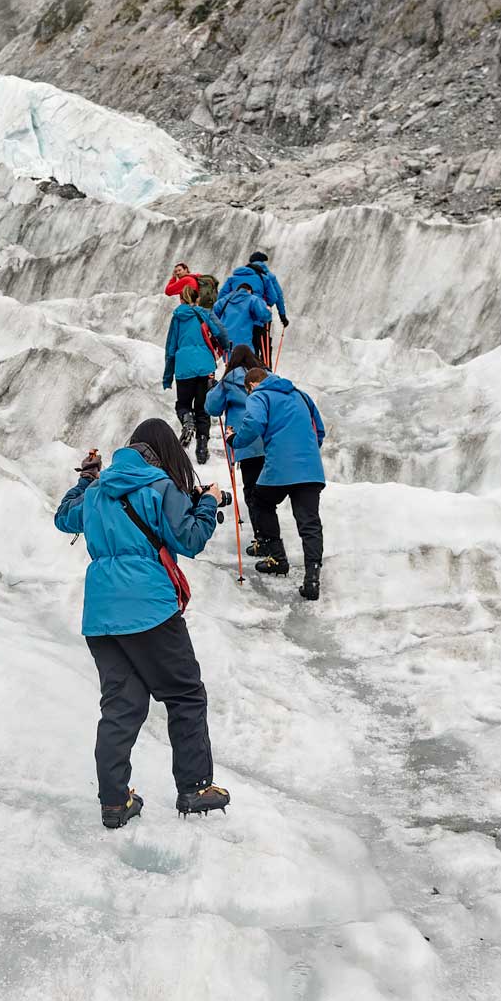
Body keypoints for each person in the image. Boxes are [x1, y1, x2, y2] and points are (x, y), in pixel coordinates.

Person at [54, 418, 233, 827]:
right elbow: (189, 540)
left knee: (121, 704)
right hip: (148, 608)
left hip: (101, 615)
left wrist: (85, 479)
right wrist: (207, 503)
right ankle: (194, 787)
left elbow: (64, 517)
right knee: (185, 693)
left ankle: (114, 801)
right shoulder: (159, 486)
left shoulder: (98, 492)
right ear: (163, 451)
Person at [232, 366, 327, 601]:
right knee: (310, 523)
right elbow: (320, 431)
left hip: (280, 466)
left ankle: (278, 558)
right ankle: (312, 578)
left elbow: (254, 422)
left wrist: (235, 440)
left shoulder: (259, 395)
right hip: (310, 468)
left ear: (251, 385)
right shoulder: (301, 395)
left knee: (260, 501)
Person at [205, 345, 269, 545]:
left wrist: (213, 388)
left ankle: (262, 537)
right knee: (267, 490)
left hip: (244, 442)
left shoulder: (229, 381)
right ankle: (270, 538)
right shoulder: (266, 377)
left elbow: (212, 408)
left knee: (252, 491)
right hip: (268, 440)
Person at [162, 284, 229, 465]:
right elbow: (220, 332)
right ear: (197, 299)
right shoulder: (204, 313)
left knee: (183, 404)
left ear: (181, 299)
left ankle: (186, 419)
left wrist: (167, 377)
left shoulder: (177, 317)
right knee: (203, 408)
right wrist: (226, 348)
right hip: (206, 366)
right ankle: (202, 447)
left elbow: (170, 348)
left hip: (184, 367)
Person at [216, 252, 290, 362]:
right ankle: (265, 372)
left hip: (238, 321)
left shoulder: (233, 278)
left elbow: (221, 297)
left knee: (243, 349)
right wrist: (282, 315)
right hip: (259, 320)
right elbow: (275, 297)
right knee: (263, 348)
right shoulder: (267, 276)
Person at [213, 284, 271, 359]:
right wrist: (268, 311)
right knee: (245, 365)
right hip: (245, 342)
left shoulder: (225, 300)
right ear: (249, 291)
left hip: (227, 342)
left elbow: (213, 317)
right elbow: (264, 316)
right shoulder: (252, 299)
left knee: (230, 364)